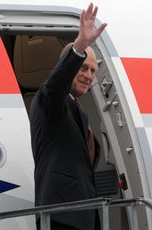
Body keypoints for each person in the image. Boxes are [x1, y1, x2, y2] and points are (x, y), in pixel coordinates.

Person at [30, 3, 107, 230]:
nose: (88, 75)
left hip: (81, 217)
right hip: (61, 217)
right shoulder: (51, 100)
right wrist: (80, 45)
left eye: (93, 70)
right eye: (83, 67)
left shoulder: (79, 111)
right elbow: (55, 87)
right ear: (67, 66)